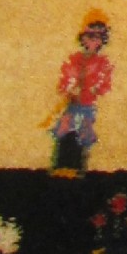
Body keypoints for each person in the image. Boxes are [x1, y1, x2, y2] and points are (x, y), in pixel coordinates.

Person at [49, 12, 113, 172]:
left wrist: (93, 89)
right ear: (82, 38)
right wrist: (70, 88)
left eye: (97, 38)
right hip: (72, 106)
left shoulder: (103, 63)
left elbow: (104, 85)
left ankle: (77, 169)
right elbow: (64, 80)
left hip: (87, 107)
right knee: (65, 134)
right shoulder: (75, 59)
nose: (92, 41)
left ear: (102, 41)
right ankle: (60, 168)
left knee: (83, 137)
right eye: (89, 37)